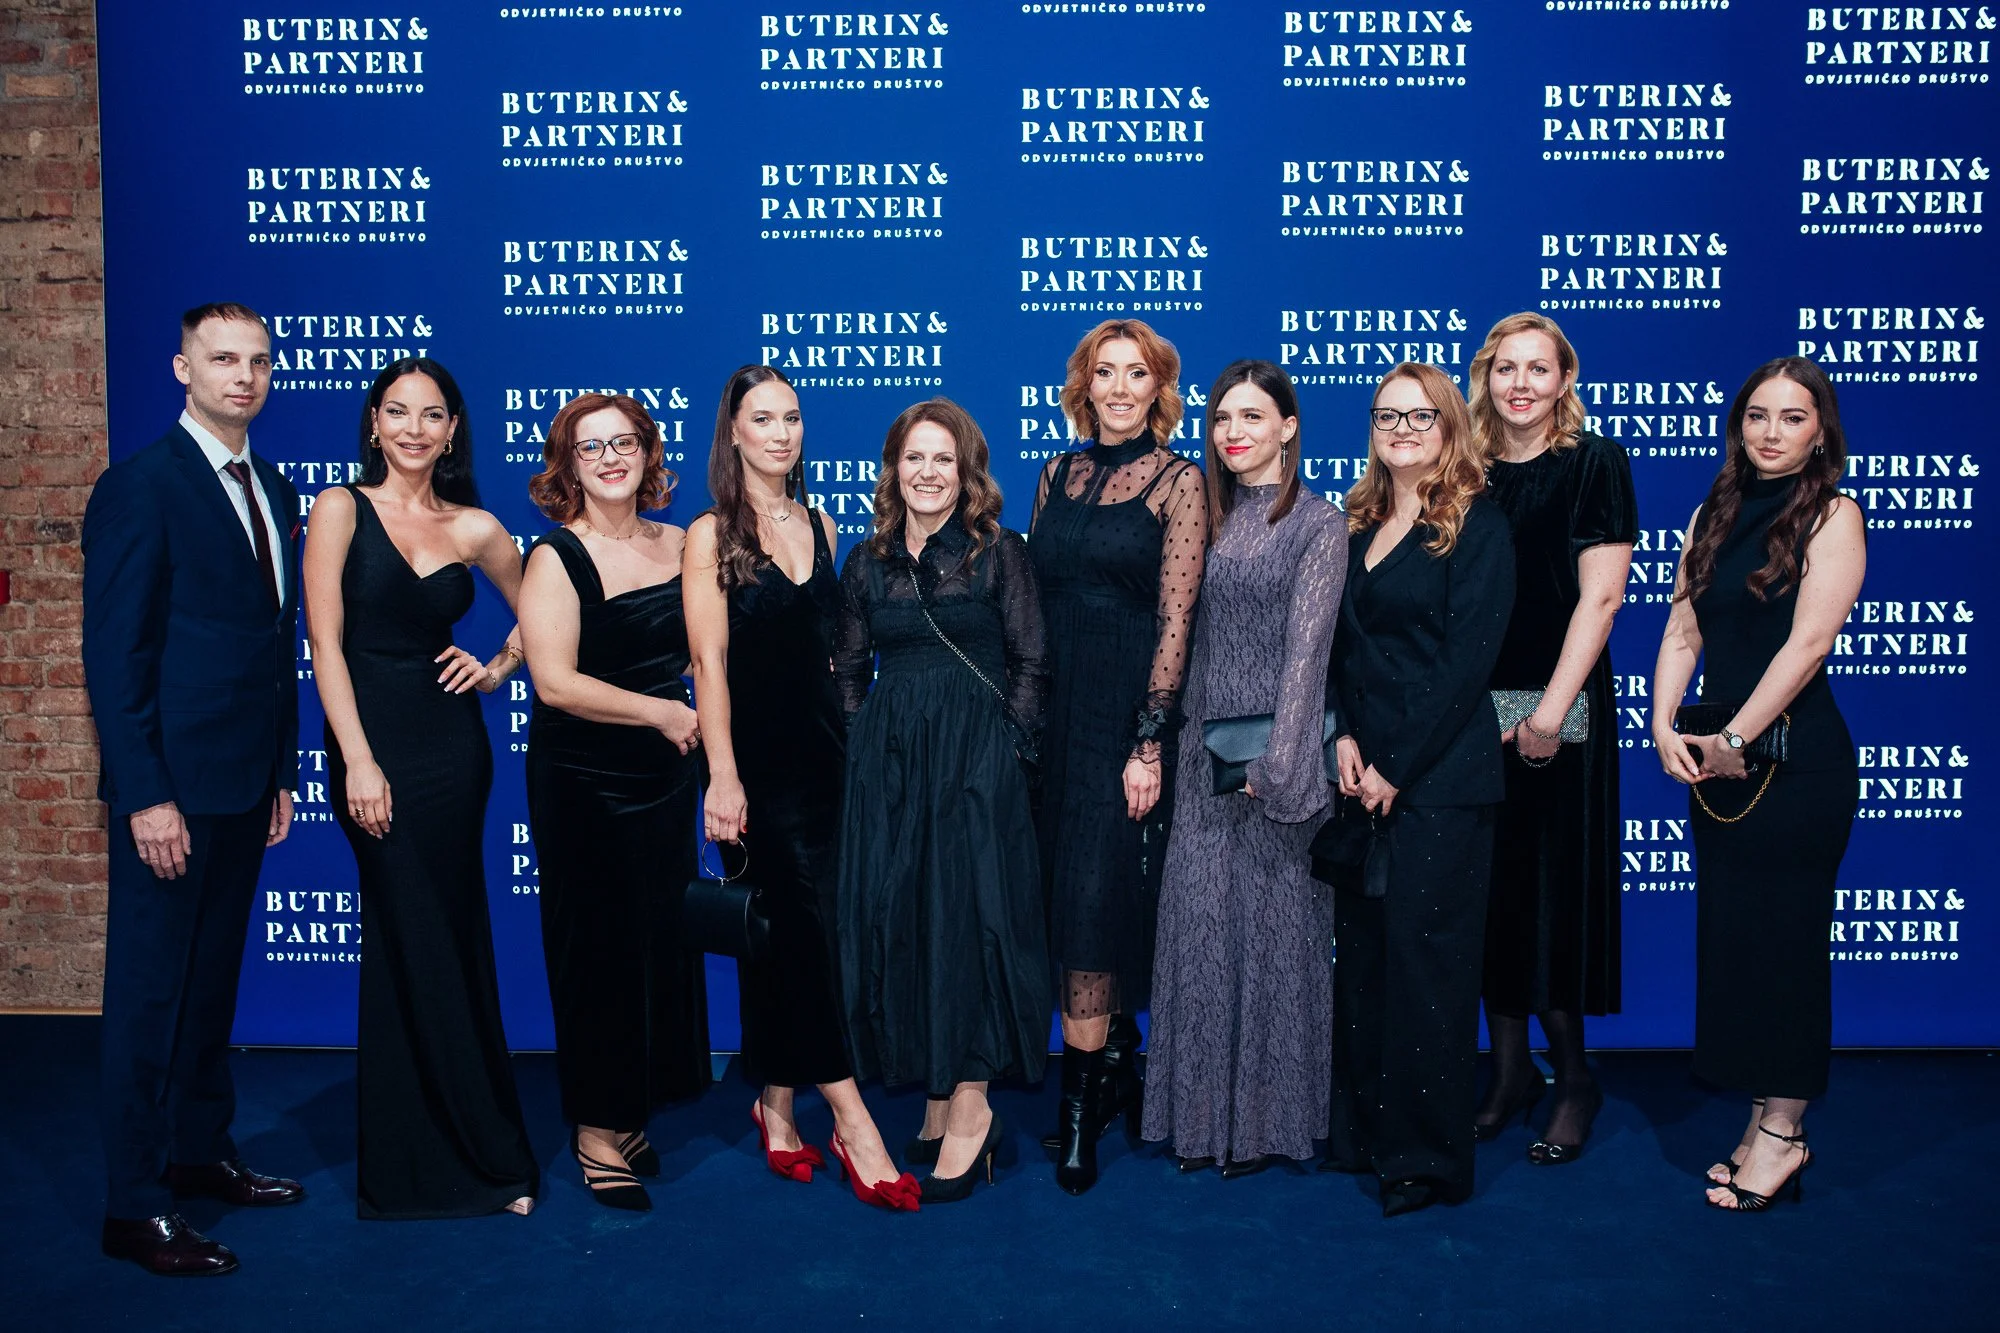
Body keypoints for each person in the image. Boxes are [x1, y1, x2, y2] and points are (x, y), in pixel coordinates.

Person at [84, 303, 305, 1275]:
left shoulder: (277, 487)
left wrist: (279, 773)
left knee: (211, 988)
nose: (243, 376)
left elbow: (272, 648)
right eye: (223, 359)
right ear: (182, 367)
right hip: (169, 791)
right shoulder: (142, 487)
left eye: (258, 361)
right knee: (146, 999)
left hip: (241, 780)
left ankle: (197, 1150)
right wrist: (145, 794)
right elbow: (116, 654)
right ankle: (134, 1207)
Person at [303, 358, 539, 1219]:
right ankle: (418, 1161)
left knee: (453, 931)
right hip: (372, 745)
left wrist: (498, 667)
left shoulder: (476, 527)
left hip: (451, 752)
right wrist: (357, 759)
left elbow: (542, 613)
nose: (411, 428)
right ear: (373, 424)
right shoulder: (338, 508)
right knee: (407, 935)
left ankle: (484, 1152)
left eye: (429, 415)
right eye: (396, 412)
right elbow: (326, 645)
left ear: (451, 431)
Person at [684, 366, 916, 1212]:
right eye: (763, 419)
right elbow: (707, 663)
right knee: (803, 937)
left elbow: (836, 654)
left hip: (828, 759)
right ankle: (854, 1122)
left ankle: (776, 1106)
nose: (781, 433)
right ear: (733, 433)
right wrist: (721, 774)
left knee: (789, 938)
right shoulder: (710, 534)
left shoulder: (820, 523)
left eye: (792, 418)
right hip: (756, 768)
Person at [1650, 357, 1865, 1213]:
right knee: (1739, 944)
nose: (1771, 432)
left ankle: (1785, 1131)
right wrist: (1663, 723)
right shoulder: (1717, 509)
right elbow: (1681, 624)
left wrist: (1736, 733)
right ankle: (1760, 1120)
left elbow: (1807, 644)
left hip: (1797, 764)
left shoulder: (1835, 516)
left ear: (1821, 431)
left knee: (1786, 945)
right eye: (1758, 416)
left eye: (1792, 417)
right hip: (1720, 768)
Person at [832, 397, 1051, 1205]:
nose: (927, 473)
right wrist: (868, 755)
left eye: (943, 461)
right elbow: (850, 671)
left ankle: (971, 1105)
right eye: (913, 459)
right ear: (893, 469)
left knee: (975, 920)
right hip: (893, 770)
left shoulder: (1000, 556)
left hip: (977, 762)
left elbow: (1032, 664)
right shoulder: (866, 562)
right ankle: (934, 1089)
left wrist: (1006, 756)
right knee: (912, 918)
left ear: (967, 474)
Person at [1141, 360, 1346, 1178]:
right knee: (1199, 932)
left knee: (1275, 939)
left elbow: (1310, 651)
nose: (1234, 433)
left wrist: (1283, 761)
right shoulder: (1207, 517)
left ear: (1289, 426)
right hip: (1201, 757)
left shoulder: (1319, 523)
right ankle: (1198, 1121)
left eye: (1254, 417)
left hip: (1277, 762)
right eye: (1223, 417)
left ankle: (1267, 1126)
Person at [1323, 362, 1515, 1217]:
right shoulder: (1360, 520)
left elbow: (1466, 665)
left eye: (1420, 415)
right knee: (1366, 961)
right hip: (1364, 778)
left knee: (1428, 969)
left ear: (1449, 427)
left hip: (1440, 783)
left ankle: (1427, 1157)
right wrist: (1348, 740)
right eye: (1385, 415)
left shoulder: (1478, 526)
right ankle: (1363, 1133)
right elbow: (1344, 652)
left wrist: (1397, 764)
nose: (1401, 428)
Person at [1024, 318, 1207, 1194]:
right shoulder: (1053, 474)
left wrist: (1149, 738)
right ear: (1084, 384)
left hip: (1118, 723)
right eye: (1108, 371)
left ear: (1160, 387)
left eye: (1139, 373)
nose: (1122, 386)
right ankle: (1111, 1073)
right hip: (1049, 720)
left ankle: (1076, 1115)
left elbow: (1177, 621)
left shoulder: (1180, 482)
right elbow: (1029, 604)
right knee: (1057, 900)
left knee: (1096, 907)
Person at [519, 392, 713, 1212]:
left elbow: (714, 646)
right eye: (589, 446)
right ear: (567, 463)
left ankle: (634, 1109)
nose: (609, 457)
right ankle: (597, 1130)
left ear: (647, 451)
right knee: (596, 950)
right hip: (585, 781)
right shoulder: (553, 557)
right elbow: (554, 681)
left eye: (623, 442)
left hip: (666, 781)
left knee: (658, 944)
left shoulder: (681, 541)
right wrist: (664, 711)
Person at [1469, 313, 1638, 1163]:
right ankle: (1507, 1074)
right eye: (1507, 368)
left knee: (1549, 894)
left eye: (1540, 368)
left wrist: (1545, 715)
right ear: (1487, 376)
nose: (1522, 383)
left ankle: (1574, 1076)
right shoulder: (1466, 468)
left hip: (1555, 709)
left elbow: (1600, 600)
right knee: (1489, 893)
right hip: (1471, 714)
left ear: (1565, 380)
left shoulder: (1593, 463)